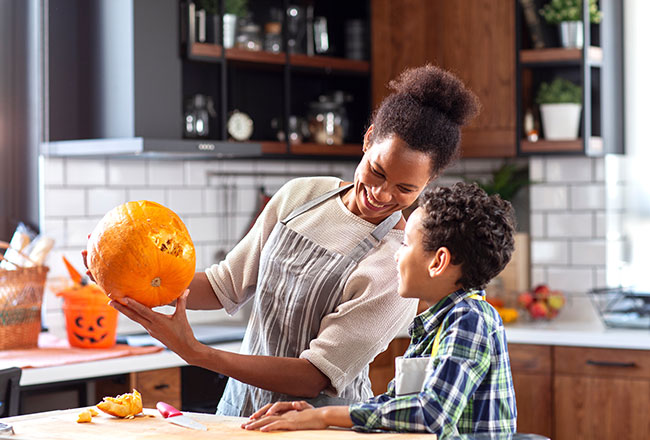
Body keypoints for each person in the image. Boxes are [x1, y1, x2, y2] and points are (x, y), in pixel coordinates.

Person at [85, 64, 480, 417]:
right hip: (238, 412)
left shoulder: (396, 266)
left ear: (429, 183)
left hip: (316, 425)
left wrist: (197, 353)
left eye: (405, 188)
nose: (381, 194)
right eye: (377, 172)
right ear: (368, 138)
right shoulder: (301, 195)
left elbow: (314, 376)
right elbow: (225, 285)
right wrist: (126, 271)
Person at [242, 182, 518, 437]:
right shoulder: (436, 324)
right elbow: (399, 405)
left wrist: (327, 415)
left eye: (407, 244)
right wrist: (315, 413)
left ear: (438, 262)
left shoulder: (470, 319)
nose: (397, 253)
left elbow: (432, 413)